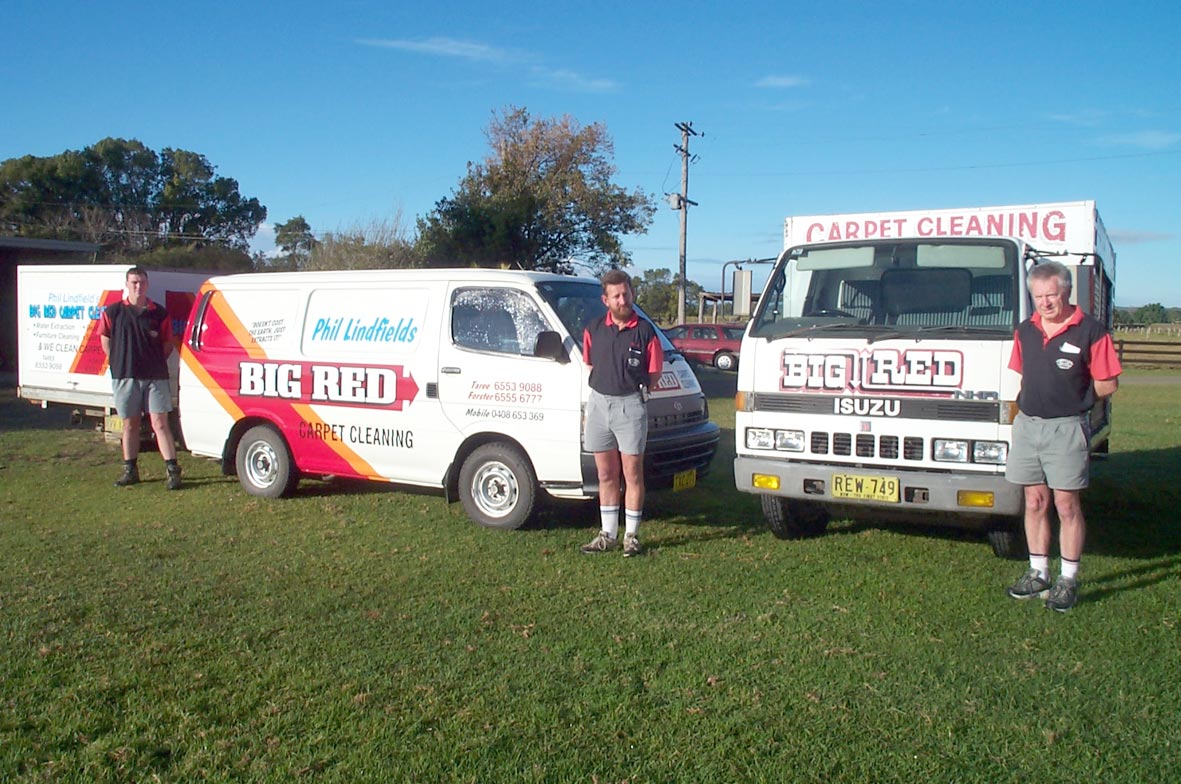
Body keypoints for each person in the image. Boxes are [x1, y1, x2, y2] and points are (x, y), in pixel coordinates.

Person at [1005, 261, 1121, 612]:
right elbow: (1022, 373)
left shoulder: (1091, 331)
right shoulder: (1025, 330)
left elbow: (1107, 383)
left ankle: (1067, 579)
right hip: (1028, 425)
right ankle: (1038, 572)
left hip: (1067, 428)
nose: (1045, 303)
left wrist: (1076, 400)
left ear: (1066, 292)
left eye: (1051, 295)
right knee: (1034, 501)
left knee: (1066, 504)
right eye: (1038, 296)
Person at [579, 269, 663, 557]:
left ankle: (632, 536)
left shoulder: (646, 330)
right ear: (606, 300)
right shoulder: (593, 329)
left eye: (626, 293)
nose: (623, 299)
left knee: (632, 474)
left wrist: (632, 393)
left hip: (631, 406)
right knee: (605, 473)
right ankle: (608, 534)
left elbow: (654, 373)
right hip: (600, 405)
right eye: (616, 296)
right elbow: (589, 363)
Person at [96, 266, 183, 490]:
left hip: (155, 376)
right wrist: (117, 360)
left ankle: (173, 470)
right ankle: (130, 470)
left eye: (142, 282)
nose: (138, 286)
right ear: (126, 284)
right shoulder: (113, 312)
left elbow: (167, 344)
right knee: (130, 424)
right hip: (125, 376)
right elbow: (104, 338)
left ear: (147, 284)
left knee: (160, 423)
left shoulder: (159, 313)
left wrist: (152, 361)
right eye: (134, 282)